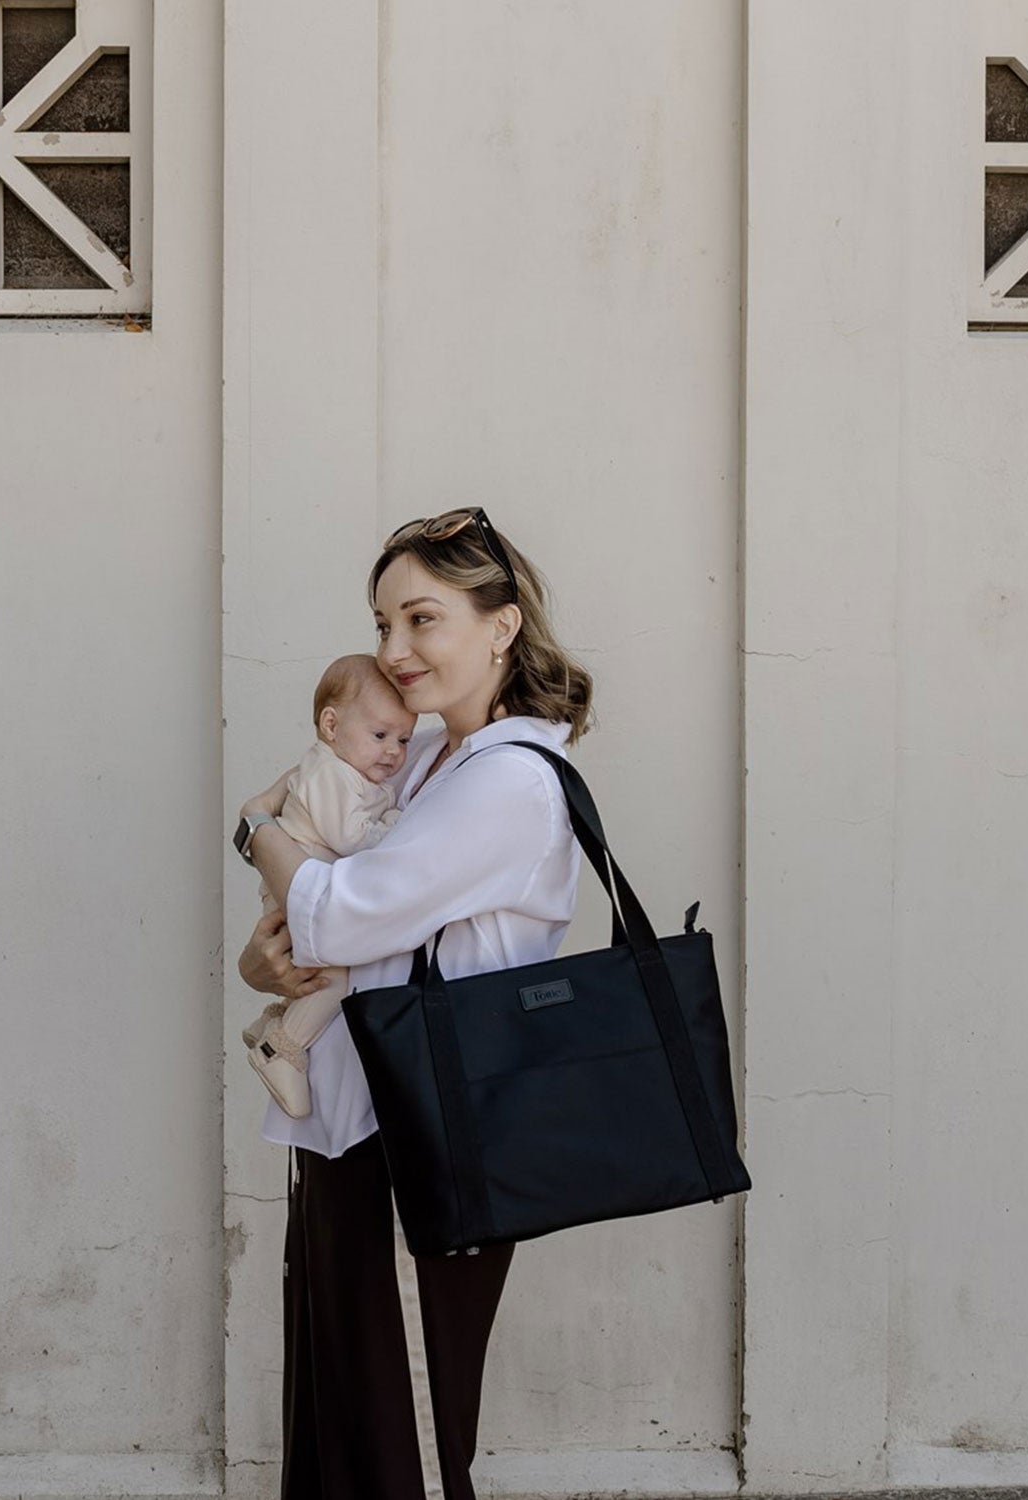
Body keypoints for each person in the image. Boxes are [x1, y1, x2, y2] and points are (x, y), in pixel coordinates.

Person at [236, 507, 592, 1500]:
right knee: (344, 1431)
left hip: (426, 1144)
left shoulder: (512, 782)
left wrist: (253, 823)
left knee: (408, 1450)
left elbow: (338, 912)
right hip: (357, 1130)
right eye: (382, 623)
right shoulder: (430, 760)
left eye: (423, 620)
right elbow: (317, 914)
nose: (393, 651)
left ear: (502, 626)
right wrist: (270, 961)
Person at [242, 653, 417, 1119]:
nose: (394, 751)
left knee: (320, 975)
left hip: (302, 886)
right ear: (331, 725)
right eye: (380, 735)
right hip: (292, 889)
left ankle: (271, 1027)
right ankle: (281, 1050)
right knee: (334, 977)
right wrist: (399, 825)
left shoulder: (349, 770)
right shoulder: (330, 771)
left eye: (403, 739)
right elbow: (352, 837)